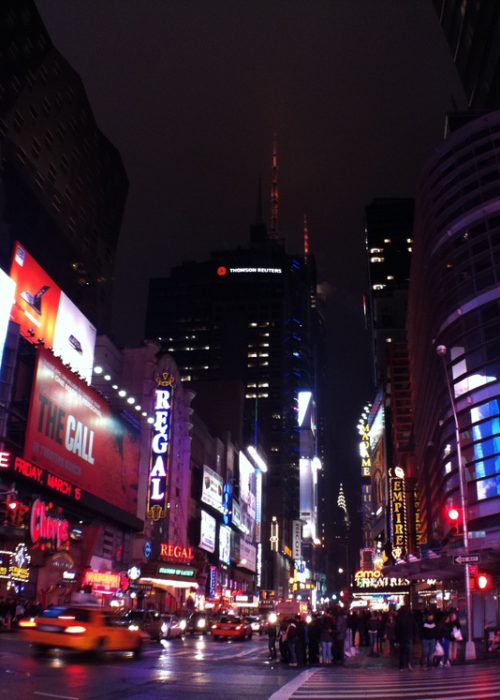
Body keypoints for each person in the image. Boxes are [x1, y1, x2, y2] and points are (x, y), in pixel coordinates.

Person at [395, 605, 416, 670]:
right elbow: (414, 627)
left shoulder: (399, 618)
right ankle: (409, 663)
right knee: (409, 651)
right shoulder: (411, 617)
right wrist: (414, 636)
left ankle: (402, 666)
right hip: (409, 636)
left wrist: (397, 639)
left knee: (402, 652)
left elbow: (397, 629)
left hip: (402, 637)